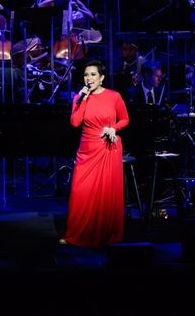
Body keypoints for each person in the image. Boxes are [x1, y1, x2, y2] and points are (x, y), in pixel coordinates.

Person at [60, 59, 129, 248]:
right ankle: (74, 233)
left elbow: (125, 119)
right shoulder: (79, 97)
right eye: (86, 75)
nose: (88, 78)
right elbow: (74, 122)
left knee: (106, 192)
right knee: (79, 191)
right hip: (87, 150)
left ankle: (106, 233)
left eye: (93, 75)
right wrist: (82, 98)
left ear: (102, 78)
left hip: (108, 148)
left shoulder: (114, 96)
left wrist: (113, 128)